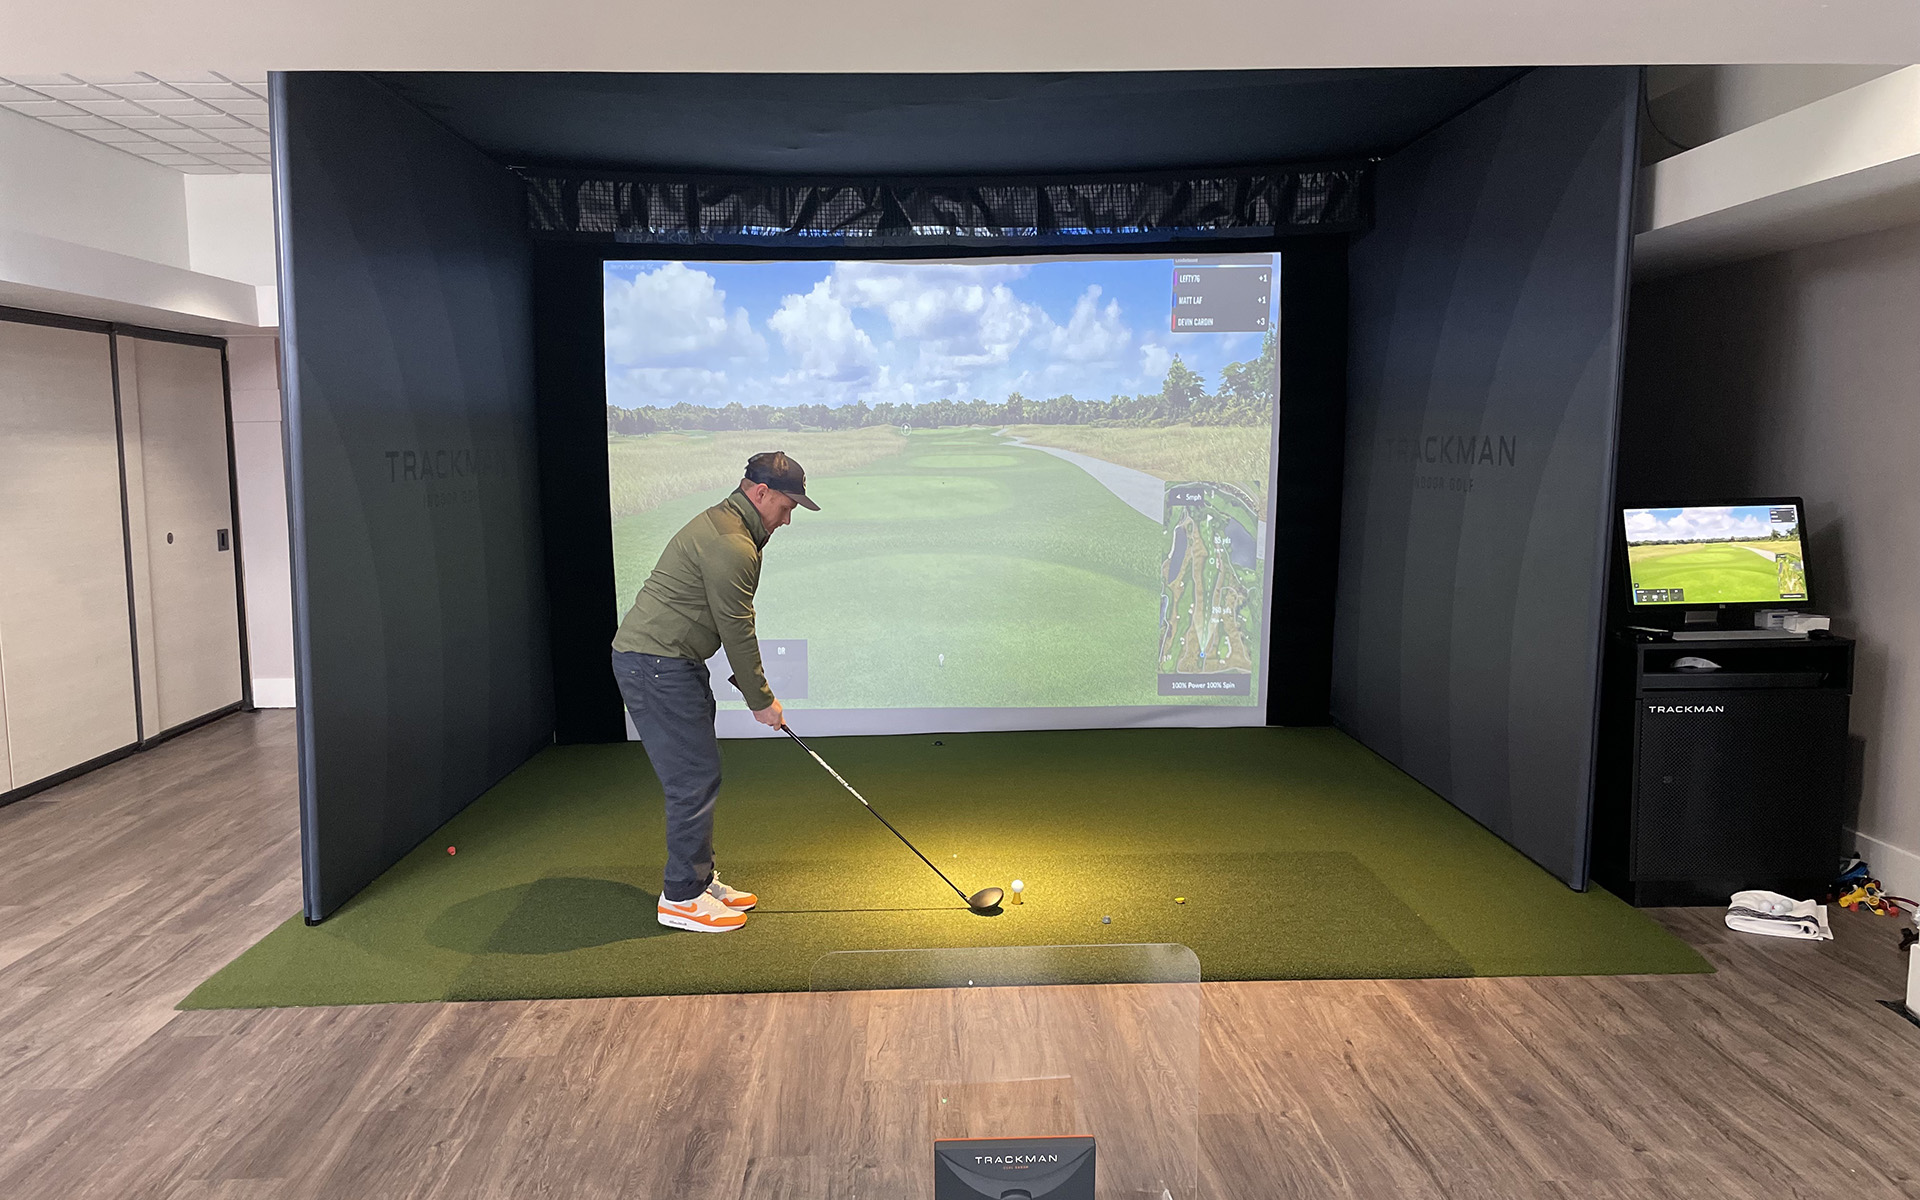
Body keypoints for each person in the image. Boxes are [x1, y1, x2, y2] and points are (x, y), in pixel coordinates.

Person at [610, 451, 819, 932]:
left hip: (672, 663)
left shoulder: (734, 527)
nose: (787, 519)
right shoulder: (731, 543)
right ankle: (682, 898)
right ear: (760, 492)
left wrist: (755, 693)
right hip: (656, 665)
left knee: (700, 774)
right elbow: (737, 628)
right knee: (693, 779)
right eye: (786, 507)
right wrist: (761, 700)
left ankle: (699, 880)